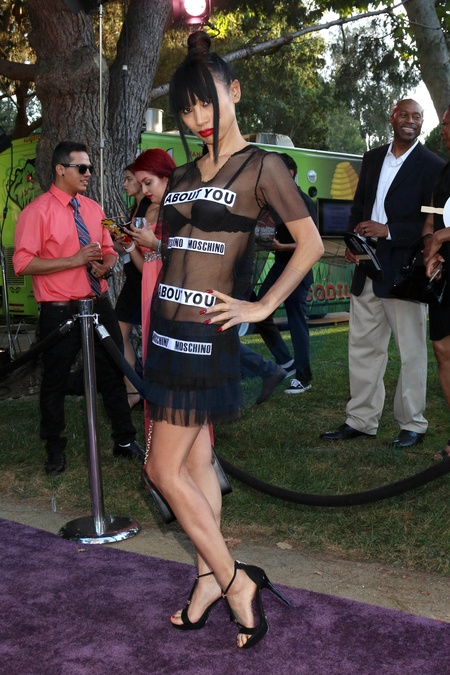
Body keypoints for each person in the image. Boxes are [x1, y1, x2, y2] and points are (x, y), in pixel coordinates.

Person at [142, 31, 323, 650]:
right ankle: (206, 585)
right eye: (186, 108)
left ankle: (236, 581)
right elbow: (183, 247)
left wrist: (264, 304)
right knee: (195, 466)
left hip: (207, 336)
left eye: (206, 102)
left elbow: (311, 244)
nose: (198, 117)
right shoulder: (184, 172)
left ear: (234, 91)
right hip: (165, 332)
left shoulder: (261, 166)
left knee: (160, 468)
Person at [12, 141, 144, 476]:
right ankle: (54, 449)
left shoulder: (93, 208)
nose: (88, 174)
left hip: (99, 304)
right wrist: (74, 261)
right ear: (60, 169)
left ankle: (125, 440)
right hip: (60, 310)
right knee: (54, 380)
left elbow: (108, 249)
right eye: (81, 168)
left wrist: (106, 267)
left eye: (90, 168)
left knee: (113, 372)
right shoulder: (37, 211)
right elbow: (22, 263)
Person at [320, 99, 445, 448]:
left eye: (417, 116)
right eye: (404, 115)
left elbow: (432, 223)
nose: (410, 121)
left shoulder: (433, 165)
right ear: (392, 117)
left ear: (422, 122)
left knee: (411, 353)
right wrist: (352, 240)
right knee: (362, 349)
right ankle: (360, 420)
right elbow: (359, 206)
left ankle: (413, 424)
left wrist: (387, 230)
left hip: (404, 272)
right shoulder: (372, 157)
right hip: (366, 267)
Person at [117, 148, 177, 440]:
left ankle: (177, 431)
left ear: (166, 176)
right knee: (153, 357)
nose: (144, 189)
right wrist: (130, 245)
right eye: (140, 183)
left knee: (171, 360)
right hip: (148, 285)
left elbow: (190, 257)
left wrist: (154, 244)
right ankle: (159, 432)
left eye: (147, 182)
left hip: (172, 289)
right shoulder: (148, 207)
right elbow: (146, 266)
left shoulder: (180, 208)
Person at [254, 152, 316, 394]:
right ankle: (287, 363)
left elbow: (312, 243)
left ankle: (304, 377)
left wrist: (282, 247)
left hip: (299, 267)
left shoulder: (304, 202)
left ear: (289, 174)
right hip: (280, 266)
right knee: (259, 312)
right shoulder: (277, 202)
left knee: (296, 320)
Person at [423, 103, 450, 460]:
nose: (442, 129)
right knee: (443, 349)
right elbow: (430, 215)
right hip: (445, 273)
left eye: (447, 124)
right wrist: (430, 248)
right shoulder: (444, 172)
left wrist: (442, 237)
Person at [114, 164, 150, 409]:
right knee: (119, 333)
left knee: (141, 336)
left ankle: (138, 389)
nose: (125, 184)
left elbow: (145, 250)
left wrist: (127, 243)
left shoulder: (150, 208)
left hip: (144, 278)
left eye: (129, 179)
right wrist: (115, 240)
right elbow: (129, 249)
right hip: (133, 278)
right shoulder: (134, 209)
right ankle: (133, 388)